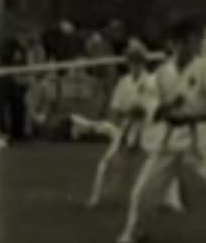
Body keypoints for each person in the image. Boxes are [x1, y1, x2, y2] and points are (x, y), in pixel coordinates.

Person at [116, 16, 206, 243]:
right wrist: (162, 108)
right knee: (145, 189)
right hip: (170, 134)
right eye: (186, 41)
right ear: (174, 44)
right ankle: (134, 233)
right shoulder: (162, 73)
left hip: (202, 134)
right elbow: (148, 102)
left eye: (195, 41)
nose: (192, 46)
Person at [77, 39, 184, 212]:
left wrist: (143, 111)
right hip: (128, 128)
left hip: (149, 130)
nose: (135, 65)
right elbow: (116, 109)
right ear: (128, 63)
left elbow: (156, 109)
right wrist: (125, 117)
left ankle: (172, 201)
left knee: (161, 162)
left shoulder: (152, 82)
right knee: (109, 162)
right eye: (132, 62)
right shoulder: (123, 83)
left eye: (138, 62)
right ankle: (98, 197)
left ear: (143, 62)